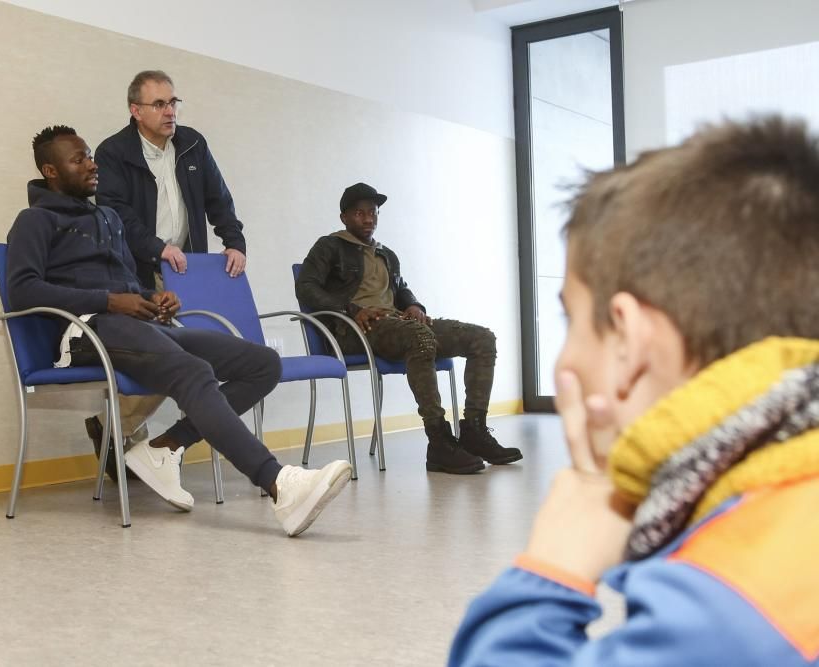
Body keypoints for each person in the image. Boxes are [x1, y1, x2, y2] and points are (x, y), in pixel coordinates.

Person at [449, 117, 819, 665]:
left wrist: (552, 569)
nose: (565, 358)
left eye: (570, 320)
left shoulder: (729, 602)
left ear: (628, 338)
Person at [6, 125, 351, 537]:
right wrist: (111, 301)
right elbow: (22, 289)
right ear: (51, 171)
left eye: (88, 155)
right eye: (78, 159)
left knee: (261, 364)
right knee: (193, 371)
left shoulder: (108, 217)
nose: (91, 163)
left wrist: (153, 300)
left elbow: (124, 281)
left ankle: (164, 447)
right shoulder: (34, 220)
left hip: (137, 324)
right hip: (87, 333)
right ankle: (280, 485)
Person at [86, 70, 250, 475]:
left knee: (193, 354)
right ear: (135, 110)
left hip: (187, 269)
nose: (169, 111)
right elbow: (115, 214)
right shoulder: (113, 152)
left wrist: (233, 240)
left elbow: (219, 198)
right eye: (159, 104)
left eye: (173, 102)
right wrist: (157, 248)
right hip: (138, 270)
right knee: (168, 357)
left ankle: (120, 430)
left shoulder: (192, 143)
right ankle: (128, 435)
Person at [296, 183, 523, 475]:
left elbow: (401, 290)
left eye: (373, 213)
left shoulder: (386, 254)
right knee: (420, 338)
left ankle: (474, 431)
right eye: (359, 213)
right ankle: (438, 441)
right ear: (344, 217)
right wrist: (352, 309)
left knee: (481, 338)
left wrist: (415, 306)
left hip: (396, 324)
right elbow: (306, 287)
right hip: (354, 330)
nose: (368, 219)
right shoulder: (329, 246)